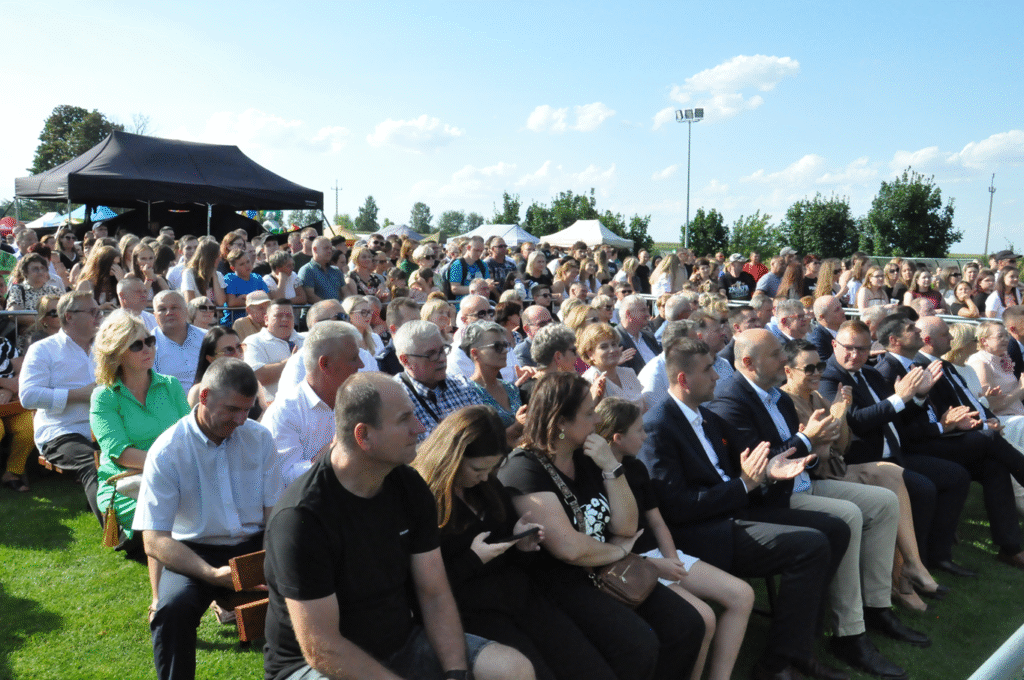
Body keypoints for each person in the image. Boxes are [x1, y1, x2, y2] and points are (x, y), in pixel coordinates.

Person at [263, 373, 534, 680]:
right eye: (404, 420)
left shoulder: (409, 486)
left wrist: (456, 672)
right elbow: (322, 647)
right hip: (313, 668)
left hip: (401, 644)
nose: (419, 429)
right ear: (363, 435)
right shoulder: (302, 519)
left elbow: (434, 593)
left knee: (514, 669)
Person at [638, 336, 852, 680]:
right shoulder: (659, 426)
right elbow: (678, 508)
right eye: (708, 370)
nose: (717, 377)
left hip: (734, 513)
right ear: (683, 379)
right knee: (810, 546)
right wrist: (746, 483)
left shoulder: (705, 416)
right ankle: (777, 664)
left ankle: (798, 649)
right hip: (701, 534)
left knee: (835, 528)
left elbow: (749, 462)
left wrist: (770, 469)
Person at [709, 330, 922, 672]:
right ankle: (849, 633)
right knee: (848, 516)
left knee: (883, 502)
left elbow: (806, 449)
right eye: (777, 354)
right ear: (748, 362)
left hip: (801, 483)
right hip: (770, 499)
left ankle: (877, 607)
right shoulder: (731, 400)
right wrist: (808, 440)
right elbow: (761, 464)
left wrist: (817, 442)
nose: (784, 359)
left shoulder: (773, 396)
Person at [497, 372, 706, 680]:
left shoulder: (590, 455)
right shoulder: (524, 468)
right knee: (637, 646)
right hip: (560, 582)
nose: (597, 420)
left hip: (607, 567)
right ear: (561, 423)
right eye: (588, 413)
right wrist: (618, 551)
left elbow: (627, 525)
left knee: (687, 626)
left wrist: (611, 467)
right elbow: (569, 550)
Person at [414, 405, 623, 680]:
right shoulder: (424, 502)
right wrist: (473, 559)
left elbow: (511, 548)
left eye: (491, 468)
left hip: (523, 598)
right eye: (478, 468)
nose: (483, 477)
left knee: (588, 668)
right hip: (476, 613)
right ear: (452, 457)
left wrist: (522, 545)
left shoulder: (487, 488)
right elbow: (425, 588)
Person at [134, 359, 284, 680]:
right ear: (204, 397)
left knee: (314, 584)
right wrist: (213, 574)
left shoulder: (259, 438)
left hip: (255, 544)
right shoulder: (167, 450)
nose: (242, 420)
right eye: (232, 409)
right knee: (171, 611)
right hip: (194, 551)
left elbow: (274, 514)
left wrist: (275, 559)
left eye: (248, 409)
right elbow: (154, 540)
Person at [780, 339, 946, 612]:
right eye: (809, 369)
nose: (817, 373)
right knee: (888, 496)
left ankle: (912, 565)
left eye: (819, 366)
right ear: (789, 371)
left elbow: (841, 446)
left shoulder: (819, 396)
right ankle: (897, 583)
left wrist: (840, 416)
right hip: (817, 477)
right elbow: (815, 456)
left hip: (837, 467)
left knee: (892, 474)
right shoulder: (788, 401)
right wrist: (828, 430)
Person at [594, 397, 753, 680]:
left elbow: (657, 521)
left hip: (659, 555)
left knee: (742, 594)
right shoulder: (592, 478)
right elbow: (607, 545)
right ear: (617, 438)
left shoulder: (636, 468)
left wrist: (672, 560)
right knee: (703, 617)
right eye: (639, 430)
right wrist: (657, 567)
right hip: (626, 564)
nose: (645, 435)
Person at [818, 320, 976, 579]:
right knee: (923, 489)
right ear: (834, 345)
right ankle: (913, 569)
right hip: (866, 463)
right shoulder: (829, 376)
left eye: (862, 349)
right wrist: (900, 397)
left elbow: (896, 416)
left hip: (895, 455)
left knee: (956, 476)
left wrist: (918, 396)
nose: (855, 355)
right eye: (849, 348)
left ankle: (939, 556)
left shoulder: (869, 374)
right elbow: (856, 420)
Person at [90, 310, 190, 615]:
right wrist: (170, 469)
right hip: (124, 483)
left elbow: (187, 437)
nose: (147, 349)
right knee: (165, 510)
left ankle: (220, 586)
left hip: (173, 473)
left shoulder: (170, 385)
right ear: (117, 353)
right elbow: (120, 454)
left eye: (150, 341)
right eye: (137, 345)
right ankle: (161, 601)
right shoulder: (104, 397)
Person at [19, 291, 104, 525]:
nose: (99, 316)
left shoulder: (105, 349)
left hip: (105, 425)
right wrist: (79, 395)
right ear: (70, 316)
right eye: (92, 311)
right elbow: (28, 396)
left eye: (99, 311)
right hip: (61, 431)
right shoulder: (43, 349)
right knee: (93, 462)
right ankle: (123, 537)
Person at [262, 321, 363, 489]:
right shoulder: (284, 413)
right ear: (325, 364)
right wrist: (336, 452)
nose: (361, 365)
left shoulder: (358, 403)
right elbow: (284, 479)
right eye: (353, 358)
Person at [395, 320, 487, 441]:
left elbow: (487, 434)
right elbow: (405, 455)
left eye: (442, 350)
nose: (442, 359)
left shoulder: (463, 385)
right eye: (431, 354)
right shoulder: (395, 398)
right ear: (406, 360)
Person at [462, 320, 526, 439]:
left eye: (505, 345)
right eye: (497, 346)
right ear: (475, 353)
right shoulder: (468, 393)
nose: (505, 350)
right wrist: (517, 426)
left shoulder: (510, 387)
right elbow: (480, 442)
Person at [243, 299, 303, 403]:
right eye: (278, 316)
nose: (285, 319)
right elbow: (256, 376)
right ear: (266, 319)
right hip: (272, 408)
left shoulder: (307, 340)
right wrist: (293, 362)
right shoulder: (253, 342)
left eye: (289, 316)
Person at [7, 252, 65, 353]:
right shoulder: (18, 290)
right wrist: (48, 320)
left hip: (54, 339)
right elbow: (14, 314)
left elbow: (63, 314)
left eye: (42, 268)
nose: (40, 271)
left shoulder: (55, 290)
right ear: (25, 272)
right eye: (35, 269)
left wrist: (36, 323)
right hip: (28, 343)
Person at [579, 322, 644, 410]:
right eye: (604, 347)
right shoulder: (588, 381)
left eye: (614, 344)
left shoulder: (629, 373)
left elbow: (645, 406)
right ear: (590, 354)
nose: (612, 350)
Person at [153, 291, 205, 393]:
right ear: (155, 315)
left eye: (174, 307)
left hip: (207, 402)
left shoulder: (206, 337)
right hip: (168, 404)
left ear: (186, 311)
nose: (169, 312)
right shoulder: (148, 345)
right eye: (162, 309)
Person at [186, 326, 244, 406]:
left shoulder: (252, 383)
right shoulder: (199, 391)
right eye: (228, 350)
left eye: (239, 347)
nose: (237, 354)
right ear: (210, 358)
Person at [615, 295, 660, 374]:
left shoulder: (649, 336)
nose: (648, 315)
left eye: (647, 310)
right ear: (628, 315)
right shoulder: (615, 340)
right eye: (643, 310)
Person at [298, 236, 345, 305]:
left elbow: (346, 292)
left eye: (330, 248)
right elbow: (310, 297)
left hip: (337, 312)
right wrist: (331, 307)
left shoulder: (336, 271)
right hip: (317, 313)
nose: (330, 251)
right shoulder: (307, 270)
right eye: (326, 248)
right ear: (315, 249)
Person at [75, 244, 124, 310]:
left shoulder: (116, 282)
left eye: (117, 264)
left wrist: (122, 282)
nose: (115, 267)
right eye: (112, 263)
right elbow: (80, 310)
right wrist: (101, 307)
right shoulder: (86, 284)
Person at [180, 239, 226, 307]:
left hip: (214, 316)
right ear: (208, 257)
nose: (220, 259)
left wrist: (214, 276)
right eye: (217, 256)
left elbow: (221, 302)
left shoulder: (218, 275)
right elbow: (190, 301)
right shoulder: (189, 273)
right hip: (197, 316)